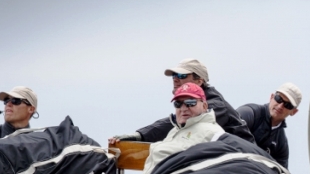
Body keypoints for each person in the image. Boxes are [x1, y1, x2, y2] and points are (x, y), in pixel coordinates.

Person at [109, 58, 254, 144]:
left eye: (182, 75)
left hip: (246, 165)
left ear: (199, 81)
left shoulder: (214, 105)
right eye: (174, 76)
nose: (176, 79)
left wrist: (140, 135)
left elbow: (173, 124)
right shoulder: (198, 103)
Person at [137, 82, 224, 174]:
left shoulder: (213, 132)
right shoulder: (176, 130)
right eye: (178, 104)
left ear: (204, 106)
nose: (183, 108)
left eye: (190, 102)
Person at [237, 83, 301, 174]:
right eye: (279, 98)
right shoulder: (248, 114)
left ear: (293, 112)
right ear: (271, 97)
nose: (280, 106)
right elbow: (227, 144)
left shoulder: (281, 142)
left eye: (287, 105)